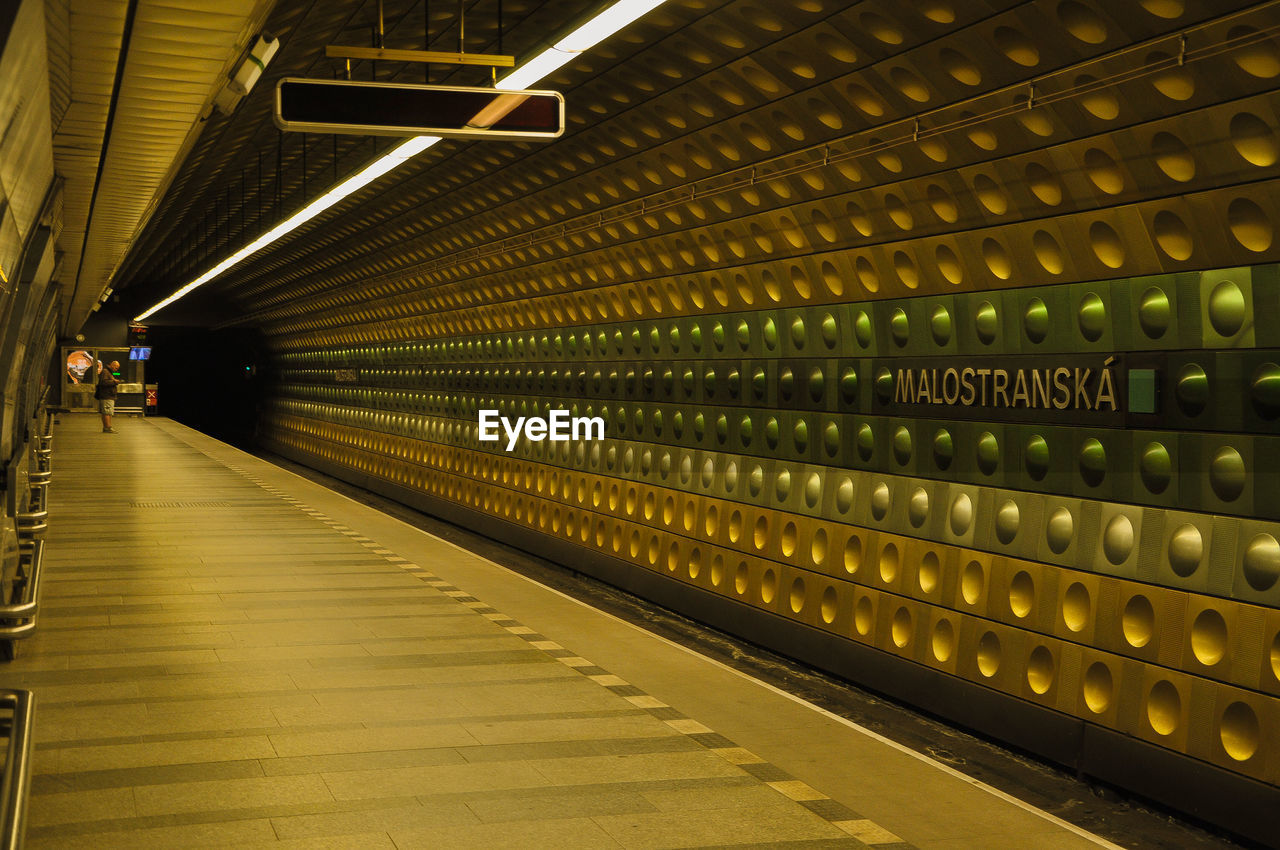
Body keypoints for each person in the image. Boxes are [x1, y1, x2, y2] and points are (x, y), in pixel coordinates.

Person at [95, 360, 121, 432]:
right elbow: (103, 382)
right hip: (107, 395)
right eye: (116, 367)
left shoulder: (108, 372)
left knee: (107, 412)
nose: (117, 369)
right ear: (112, 365)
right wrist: (114, 381)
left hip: (108, 395)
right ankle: (107, 427)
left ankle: (107, 427)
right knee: (107, 412)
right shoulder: (106, 371)